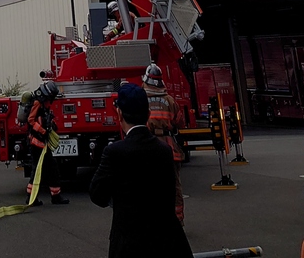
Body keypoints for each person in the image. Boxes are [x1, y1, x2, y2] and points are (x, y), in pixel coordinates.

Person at [89, 83, 193, 258]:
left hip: (128, 243)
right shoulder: (164, 151)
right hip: (167, 241)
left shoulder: (114, 152)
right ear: (148, 113)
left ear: (119, 114)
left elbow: (97, 195)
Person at [143, 63, 186, 223]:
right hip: (169, 149)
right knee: (174, 186)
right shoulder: (170, 100)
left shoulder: (142, 99)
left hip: (148, 147)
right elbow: (180, 123)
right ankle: (177, 219)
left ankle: (153, 220)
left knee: (149, 186)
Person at [25, 79, 69, 205]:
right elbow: (31, 120)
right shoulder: (37, 103)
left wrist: (52, 125)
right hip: (36, 143)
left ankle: (55, 196)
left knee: (51, 168)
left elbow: (44, 118)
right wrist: (43, 131)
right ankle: (31, 198)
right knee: (38, 170)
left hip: (43, 144)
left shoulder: (43, 104)